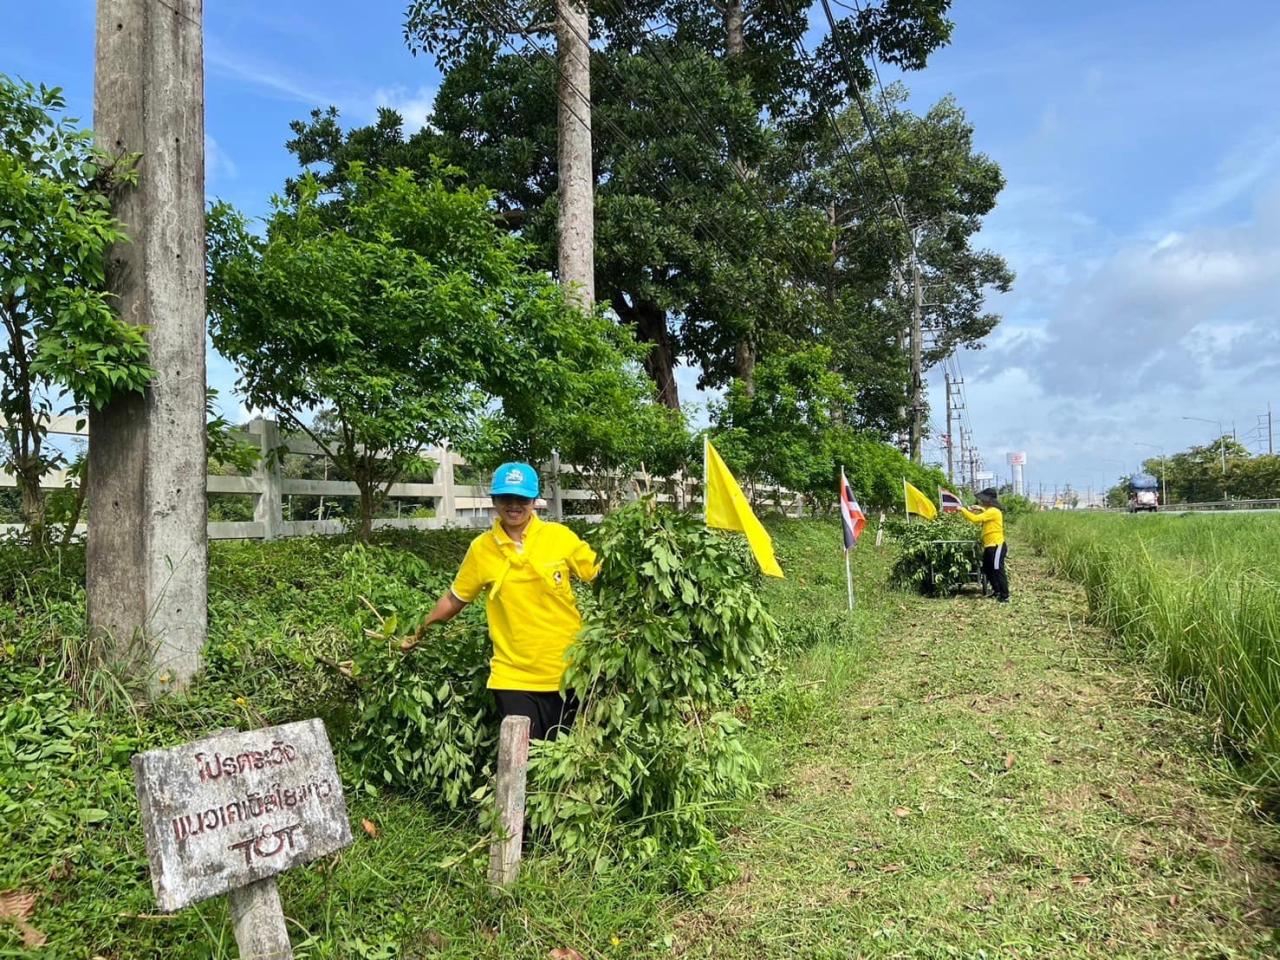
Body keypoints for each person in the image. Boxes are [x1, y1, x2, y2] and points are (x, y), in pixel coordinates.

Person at [403, 461, 599, 740]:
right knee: (523, 758)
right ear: (494, 499)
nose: (514, 505)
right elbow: (454, 598)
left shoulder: (559, 537)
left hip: (569, 672)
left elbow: (599, 573)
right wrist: (418, 633)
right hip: (513, 676)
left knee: (561, 759)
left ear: (534, 500)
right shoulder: (482, 549)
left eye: (522, 498)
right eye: (506, 497)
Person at [960, 487, 1010, 603]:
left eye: (983, 500)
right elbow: (985, 513)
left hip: (997, 545)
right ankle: (996, 591)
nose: (982, 501)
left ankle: (1005, 595)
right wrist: (979, 508)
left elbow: (975, 519)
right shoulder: (990, 510)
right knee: (988, 569)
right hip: (989, 546)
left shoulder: (993, 511)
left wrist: (962, 509)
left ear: (989, 500)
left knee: (998, 569)